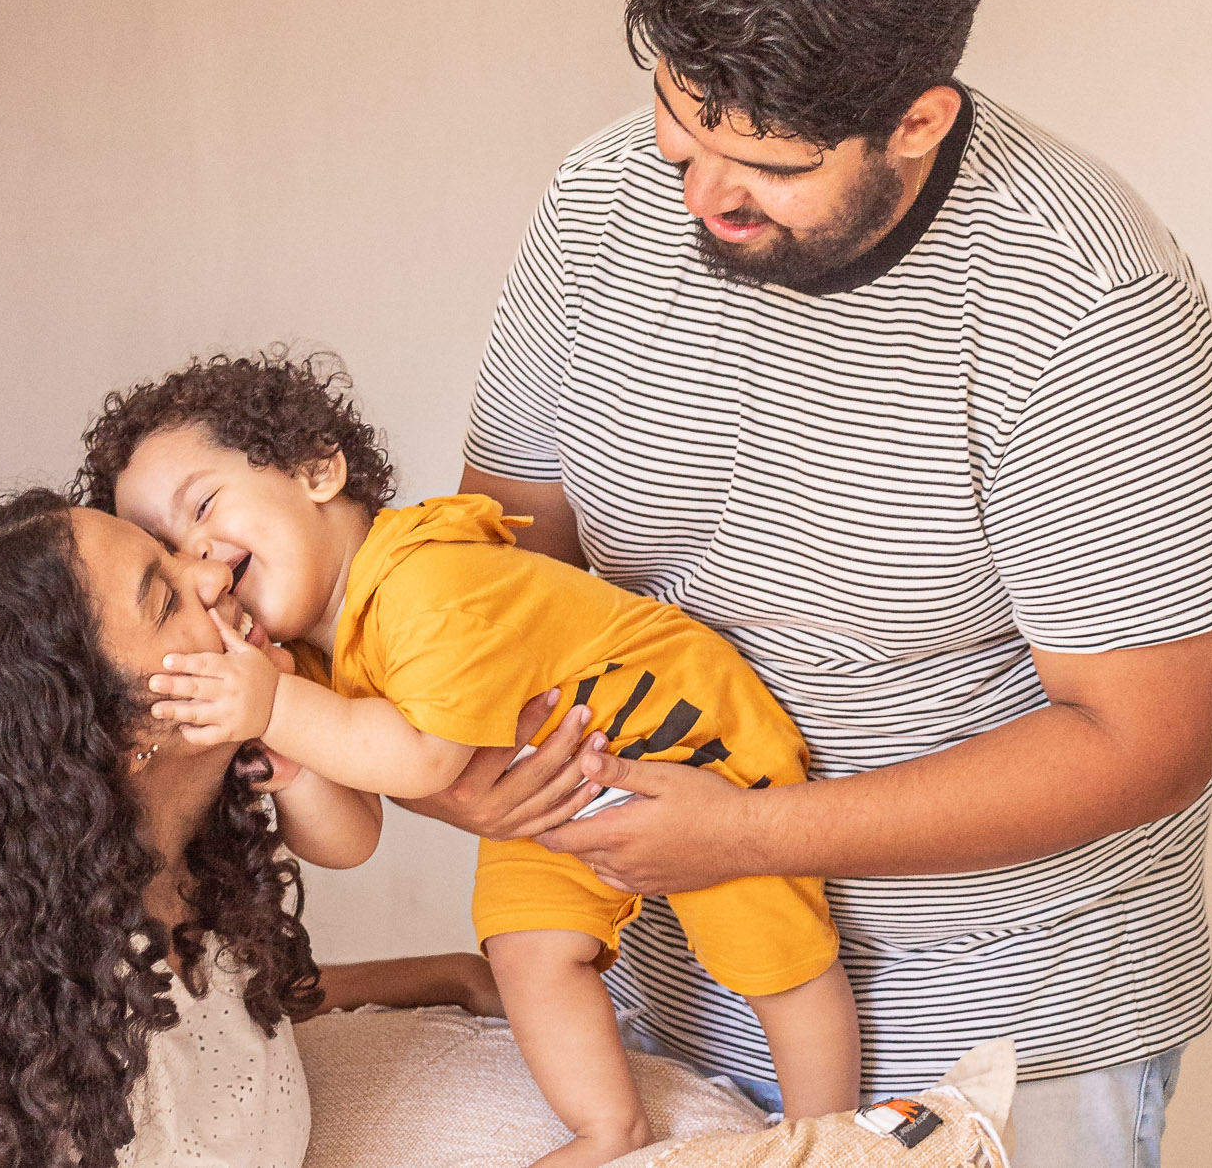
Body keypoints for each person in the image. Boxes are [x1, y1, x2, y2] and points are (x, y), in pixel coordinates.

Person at [412, 0, 1212, 1168]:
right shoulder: (596, 205)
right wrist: (463, 772)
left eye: (772, 166)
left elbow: (1150, 736)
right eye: (681, 125)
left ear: (918, 122)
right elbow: (510, 561)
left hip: (992, 1027)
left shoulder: (1087, 297)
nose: (703, 193)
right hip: (666, 972)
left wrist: (747, 835)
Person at [80, 352, 857, 1164]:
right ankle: (609, 1130)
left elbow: (424, 760)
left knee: (775, 955)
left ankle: (833, 1138)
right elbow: (352, 838)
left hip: (688, 743)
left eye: (204, 507)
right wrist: (294, 769)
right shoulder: (303, 660)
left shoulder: (428, 581)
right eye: (168, 548)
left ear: (316, 469)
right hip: (560, 785)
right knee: (526, 949)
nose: (203, 563)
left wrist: (279, 709)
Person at [0, 487, 483, 1168]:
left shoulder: (179, 900)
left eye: (175, 553)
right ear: (110, 737)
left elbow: (227, 1007)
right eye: (165, 598)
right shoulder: (50, 1081)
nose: (213, 574)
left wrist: (448, 976)